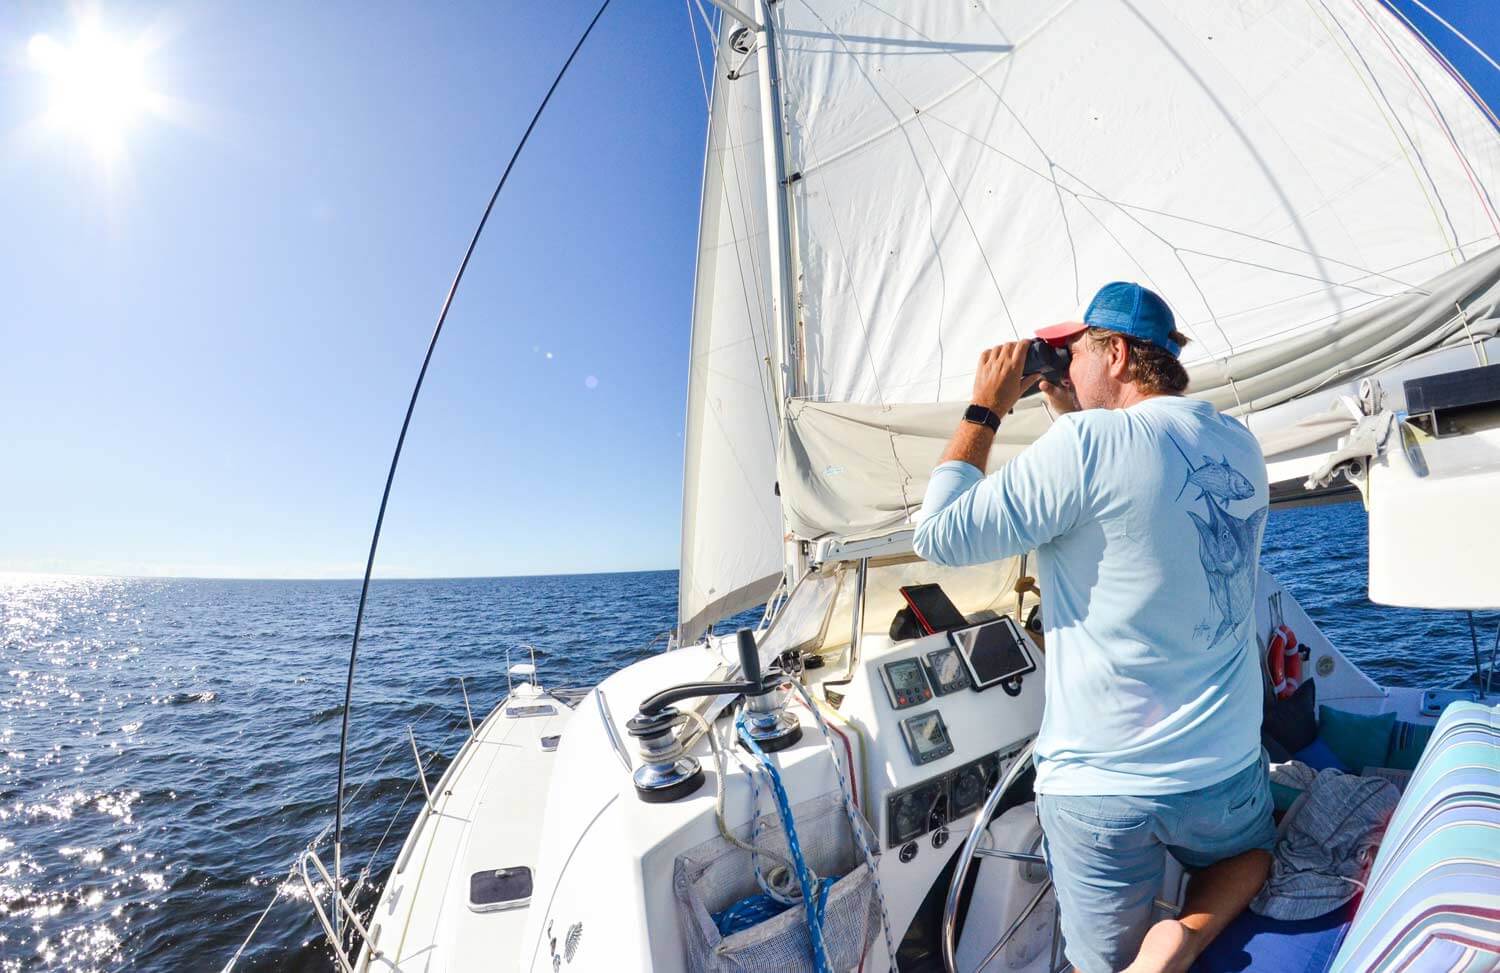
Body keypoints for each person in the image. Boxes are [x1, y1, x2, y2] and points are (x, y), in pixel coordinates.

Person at [912, 282, 1274, 973]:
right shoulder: (1237, 442)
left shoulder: (1087, 444)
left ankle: (1147, 951)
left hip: (1100, 787)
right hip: (1221, 770)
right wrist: (1064, 399)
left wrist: (986, 403)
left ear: (1114, 352)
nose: (1066, 366)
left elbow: (939, 532)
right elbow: (1125, 484)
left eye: (1073, 352)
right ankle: (1186, 933)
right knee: (1250, 854)